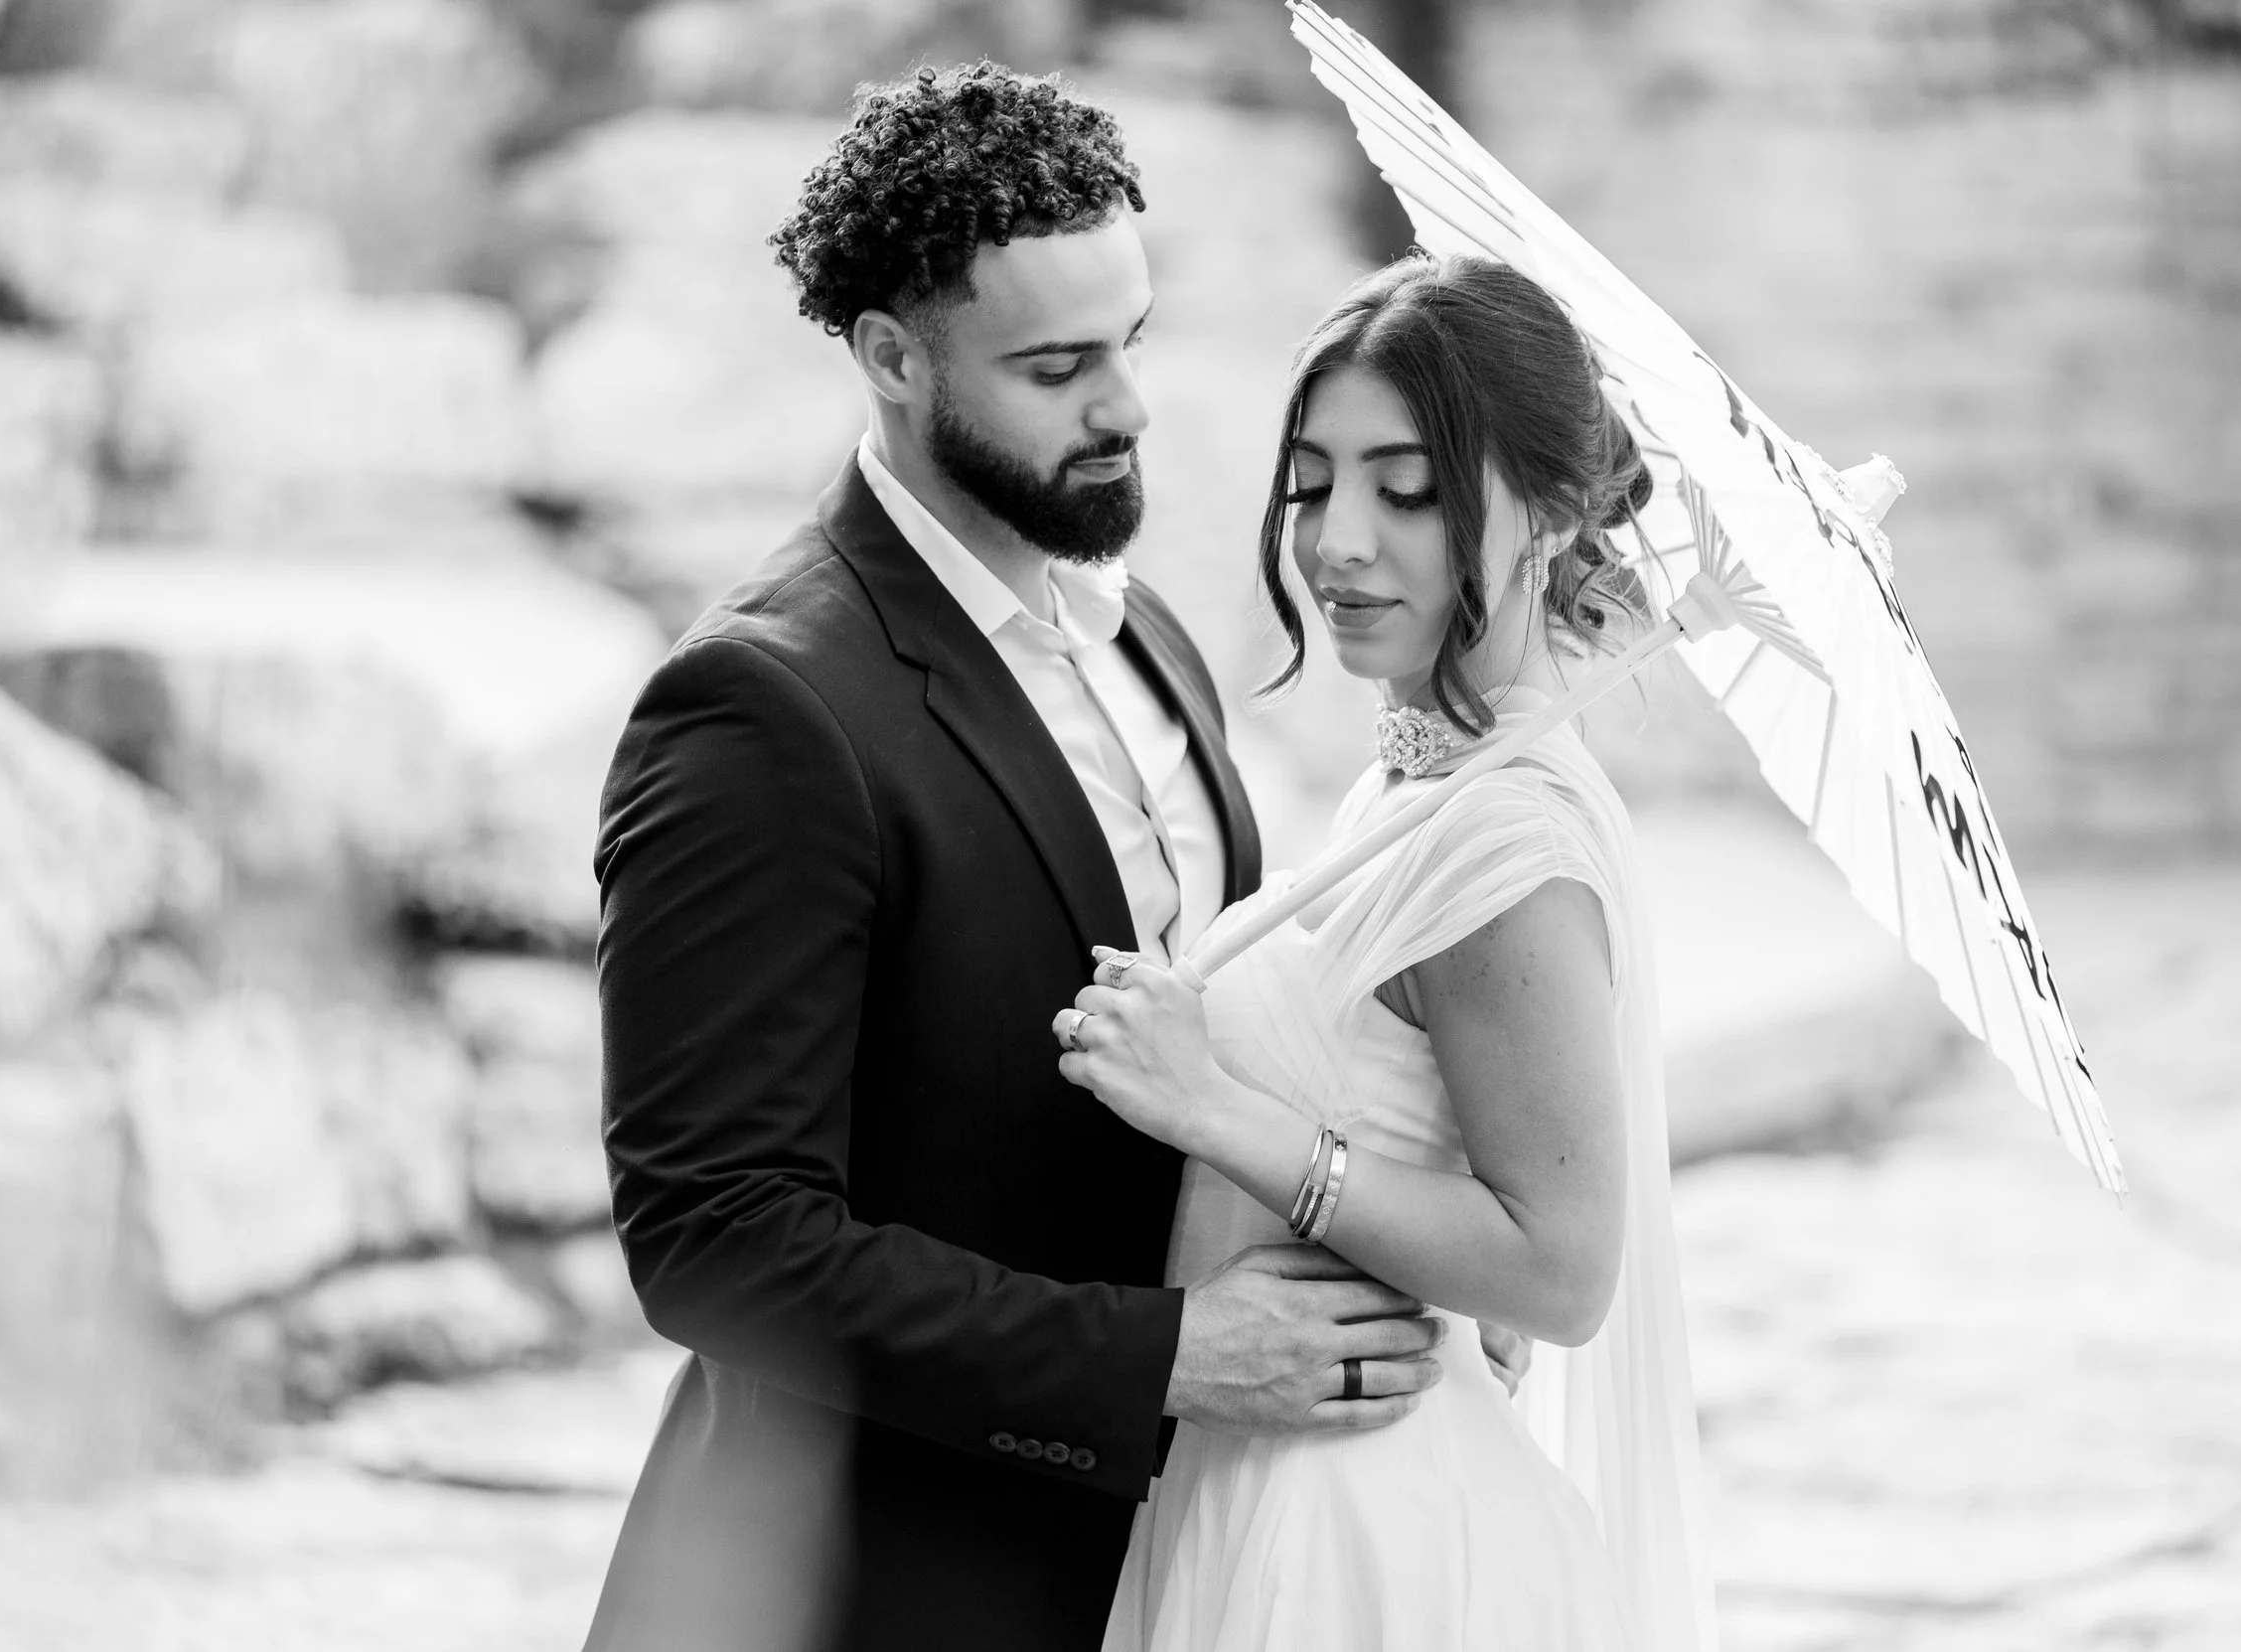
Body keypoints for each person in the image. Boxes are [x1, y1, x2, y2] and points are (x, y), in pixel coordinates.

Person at [581, 66, 1465, 1652]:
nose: (1125, 407)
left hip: (1181, 1556)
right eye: (1057, 367)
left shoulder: (1152, 640)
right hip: (875, 1585)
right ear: (892, 358)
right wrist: (1169, 1358)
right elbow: (715, 1242)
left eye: (1131, 340)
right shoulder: (762, 710)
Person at [1059, 252, 1719, 1651]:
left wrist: (1220, 1108)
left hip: (1360, 1530)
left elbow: (1559, 1268)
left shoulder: (1502, 848)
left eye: (1405, 489)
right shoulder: (1421, 783)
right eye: (1311, 482)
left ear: (1543, 512)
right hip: (1275, 1456)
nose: (1338, 540)